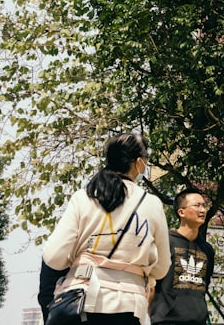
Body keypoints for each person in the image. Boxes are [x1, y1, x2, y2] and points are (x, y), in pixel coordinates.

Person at [39, 132, 172, 325]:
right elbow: (161, 269)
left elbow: (54, 256)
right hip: (129, 308)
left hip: (81, 304)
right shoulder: (151, 204)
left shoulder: (84, 197)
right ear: (139, 162)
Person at [150, 189, 216, 325]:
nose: (202, 210)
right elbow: (151, 283)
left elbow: (205, 285)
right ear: (181, 212)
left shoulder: (207, 249)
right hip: (166, 321)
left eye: (204, 206)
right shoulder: (165, 242)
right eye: (197, 205)